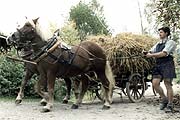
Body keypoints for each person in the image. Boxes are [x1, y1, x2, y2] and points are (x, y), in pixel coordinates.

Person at [144, 27, 176, 112]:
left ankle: (170, 104)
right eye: (159, 32)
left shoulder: (171, 42)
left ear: (166, 33)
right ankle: (164, 99)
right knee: (155, 83)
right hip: (158, 64)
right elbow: (151, 51)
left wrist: (151, 55)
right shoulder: (158, 44)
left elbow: (164, 53)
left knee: (167, 84)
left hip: (167, 64)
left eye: (161, 32)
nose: (160, 34)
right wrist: (147, 53)